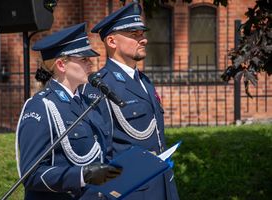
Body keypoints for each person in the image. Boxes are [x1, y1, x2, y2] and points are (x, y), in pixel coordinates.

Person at [82, 2, 179, 200]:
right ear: (112, 41)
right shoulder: (101, 86)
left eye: (142, 34)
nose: (143, 40)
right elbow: (100, 151)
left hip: (162, 185)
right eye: (134, 35)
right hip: (132, 191)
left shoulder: (144, 81)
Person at [15, 23, 121, 200]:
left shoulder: (89, 102)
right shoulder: (41, 106)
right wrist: (81, 175)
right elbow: (31, 174)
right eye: (84, 59)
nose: (91, 63)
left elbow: (103, 154)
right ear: (61, 65)